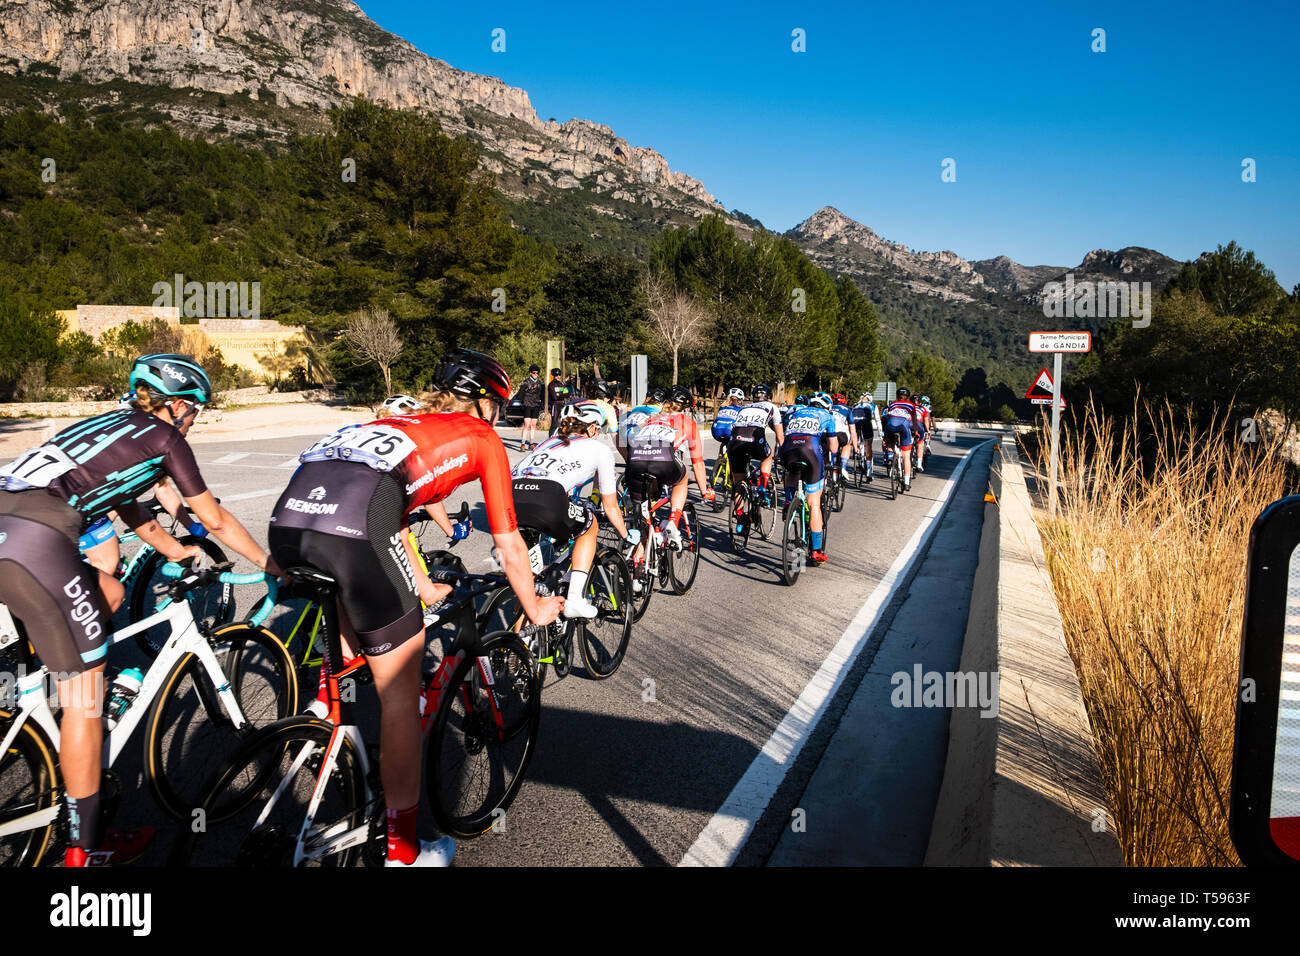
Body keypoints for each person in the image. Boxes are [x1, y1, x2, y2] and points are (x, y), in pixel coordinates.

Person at [268, 348, 563, 868]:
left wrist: (423, 586)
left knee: (355, 637)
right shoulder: (482, 437)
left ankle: (326, 721)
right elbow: (510, 541)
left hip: (289, 523)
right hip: (355, 529)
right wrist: (533, 605)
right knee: (401, 695)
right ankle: (402, 854)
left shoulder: (393, 421)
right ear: (486, 404)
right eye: (499, 404)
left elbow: (391, 512)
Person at [0, 353, 277, 866]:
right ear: (175, 406)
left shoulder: (104, 424)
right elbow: (212, 517)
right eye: (195, 410)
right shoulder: (165, 437)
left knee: (111, 592)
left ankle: (38, 682)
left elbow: (128, 500)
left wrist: (176, 552)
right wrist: (268, 562)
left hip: (8, 521)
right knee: (85, 693)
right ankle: (87, 850)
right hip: (38, 540)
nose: (195, 421)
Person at [511, 401, 638, 617]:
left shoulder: (549, 442)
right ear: (591, 428)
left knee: (531, 582)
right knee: (589, 526)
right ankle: (575, 600)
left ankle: (517, 642)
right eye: (597, 429)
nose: (597, 433)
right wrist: (626, 535)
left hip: (510, 494)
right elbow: (610, 506)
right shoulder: (599, 449)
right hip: (546, 496)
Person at [625, 385, 714, 551]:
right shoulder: (688, 422)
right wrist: (704, 490)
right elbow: (698, 462)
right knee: (682, 480)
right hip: (664, 460)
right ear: (685, 408)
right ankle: (673, 520)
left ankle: (638, 562)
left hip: (635, 461)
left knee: (645, 516)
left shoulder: (650, 418)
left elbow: (630, 441)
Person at [778, 393, 837, 564]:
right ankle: (816, 551)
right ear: (826, 407)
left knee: (792, 471)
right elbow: (833, 449)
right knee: (814, 504)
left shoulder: (794, 413)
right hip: (810, 449)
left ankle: (789, 502)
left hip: (788, 449)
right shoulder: (827, 415)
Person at [727, 384, 784, 518]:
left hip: (735, 442)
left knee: (739, 482)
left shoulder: (744, 407)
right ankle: (762, 486)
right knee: (767, 457)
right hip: (754, 438)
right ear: (769, 397)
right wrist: (783, 453)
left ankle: (740, 518)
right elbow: (780, 436)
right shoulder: (772, 407)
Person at [881, 387, 923, 491]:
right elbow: (914, 420)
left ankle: (891, 456)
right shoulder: (911, 405)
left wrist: (885, 436)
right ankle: (907, 482)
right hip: (903, 426)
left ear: (897, 396)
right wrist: (916, 432)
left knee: (890, 441)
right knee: (906, 456)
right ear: (908, 397)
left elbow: (888, 417)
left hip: (890, 426)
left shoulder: (892, 404)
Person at [617, 386, 665, 462]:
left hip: (626, 435)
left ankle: (628, 462)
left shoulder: (638, 406)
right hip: (641, 438)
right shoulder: (660, 408)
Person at [851, 392, 882, 483]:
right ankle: (869, 473)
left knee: (856, 437)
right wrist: (881, 433)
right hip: (866, 423)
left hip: (855, 422)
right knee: (868, 447)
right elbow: (877, 420)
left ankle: (857, 452)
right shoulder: (873, 405)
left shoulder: (855, 405)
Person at [513, 366, 545, 451]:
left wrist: (541, 403)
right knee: (527, 424)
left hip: (536, 405)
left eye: (537, 373)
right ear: (530, 373)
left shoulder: (539, 383)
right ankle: (523, 444)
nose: (535, 374)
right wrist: (523, 402)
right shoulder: (525, 382)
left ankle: (531, 443)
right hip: (527, 405)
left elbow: (540, 394)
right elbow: (520, 394)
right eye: (534, 373)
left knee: (533, 425)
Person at [546, 368, 569, 437]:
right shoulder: (551, 385)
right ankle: (550, 438)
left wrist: (560, 394)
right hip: (555, 405)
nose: (558, 376)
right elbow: (555, 397)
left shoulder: (562, 384)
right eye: (556, 375)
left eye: (559, 375)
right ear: (553, 376)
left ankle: (560, 438)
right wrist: (562, 394)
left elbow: (567, 393)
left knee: (563, 422)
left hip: (562, 404)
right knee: (555, 423)